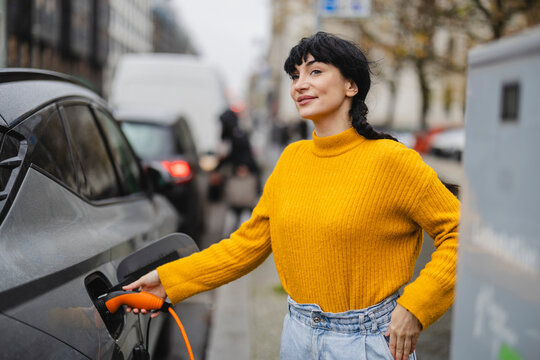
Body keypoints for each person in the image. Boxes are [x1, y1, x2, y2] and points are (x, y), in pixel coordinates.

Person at [124, 32, 459, 360]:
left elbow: (458, 233)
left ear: (351, 86)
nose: (299, 84)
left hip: (367, 342)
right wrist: (170, 280)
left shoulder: (391, 160)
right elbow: (245, 246)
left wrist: (415, 308)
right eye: (295, 75)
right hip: (297, 336)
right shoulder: (292, 159)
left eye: (315, 71)